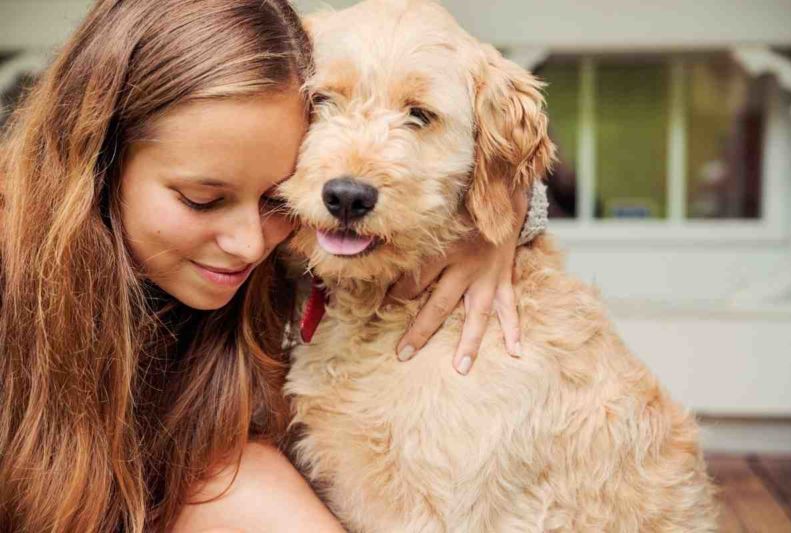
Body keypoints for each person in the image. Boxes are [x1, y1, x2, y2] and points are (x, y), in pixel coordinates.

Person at [0, 0, 538, 531]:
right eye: (201, 199)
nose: (249, 245)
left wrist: (499, 220)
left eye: (276, 199)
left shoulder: (310, 253)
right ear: (97, 159)